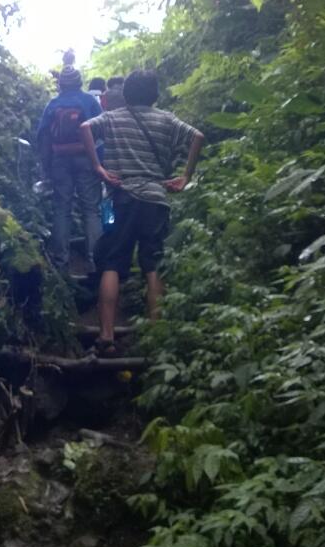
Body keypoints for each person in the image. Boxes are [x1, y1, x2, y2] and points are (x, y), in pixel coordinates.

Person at [80, 68, 204, 353]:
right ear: (155, 95)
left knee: (111, 261)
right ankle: (156, 336)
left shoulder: (112, 118)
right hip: (155, 200)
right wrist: (186, 176)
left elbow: (85, 128)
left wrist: (99, 168)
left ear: (125, 94)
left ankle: (107, 336)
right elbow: (198, 136)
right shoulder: (166, 119)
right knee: (153, 262)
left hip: (116, 199)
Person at [37, 60, 103, 273]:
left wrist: (45, 168)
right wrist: (100, 164)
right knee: (91, 210)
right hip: (86, 159)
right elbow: (101, 133)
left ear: (60, 85)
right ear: (80, 83)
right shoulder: (90, 103)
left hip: (60, 161)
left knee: (61, 209)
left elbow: (43, 137)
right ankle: (96, 261)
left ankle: (61, 262)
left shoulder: (53, 105)